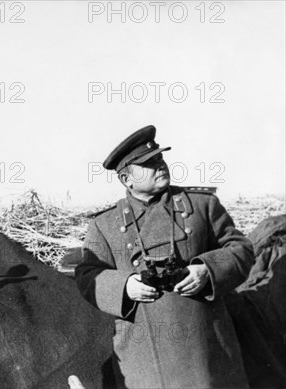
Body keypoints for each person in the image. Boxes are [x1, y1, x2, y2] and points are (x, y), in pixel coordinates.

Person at [74, 125, 254, 388]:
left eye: (159, 158)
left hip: (206, 351)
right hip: (144, 358)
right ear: (127, 179)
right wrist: (124, 286)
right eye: (149, 163)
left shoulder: (202, 206)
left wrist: (207, 270)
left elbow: (241, 249)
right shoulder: (105, 224)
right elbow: (87, 274)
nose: (160, 165)